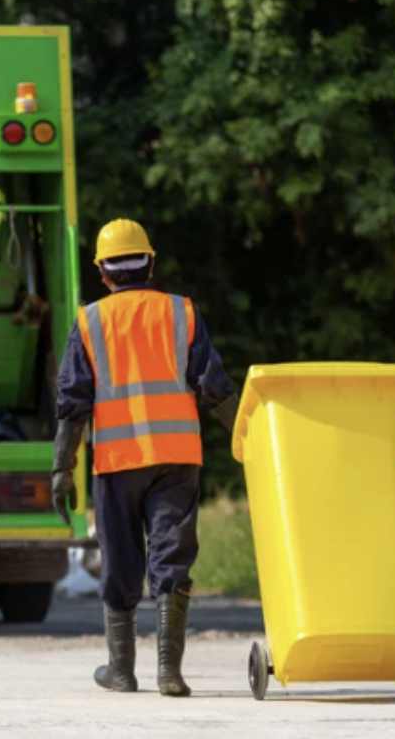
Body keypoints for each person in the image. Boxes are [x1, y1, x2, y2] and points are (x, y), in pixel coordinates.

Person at [51, 218, 238, 697]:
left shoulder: (90, 321)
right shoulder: (182, 313)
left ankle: (121, 670)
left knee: (121, 560)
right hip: (176, 457)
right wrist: (247, 436)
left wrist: (61, 468)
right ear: (150, 263)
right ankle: (169, 673)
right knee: (171, 557)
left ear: (103, 272)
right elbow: (213, 388)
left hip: (116, 460)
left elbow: (73, 403)